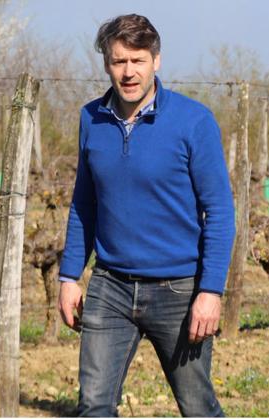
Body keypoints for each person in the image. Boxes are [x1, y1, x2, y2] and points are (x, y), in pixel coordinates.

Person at [56, 14, 235, 417]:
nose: (129, 72)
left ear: (157, 60)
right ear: (106, 64)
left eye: (138, 60)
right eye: (119, 61)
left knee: (197, 407)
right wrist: (70, 276)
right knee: (93, 406)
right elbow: (84, 202)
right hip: (110, 286)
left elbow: (220, 211)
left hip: (179, 291)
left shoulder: (194, 121)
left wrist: (211, 291)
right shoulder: (91, 118)